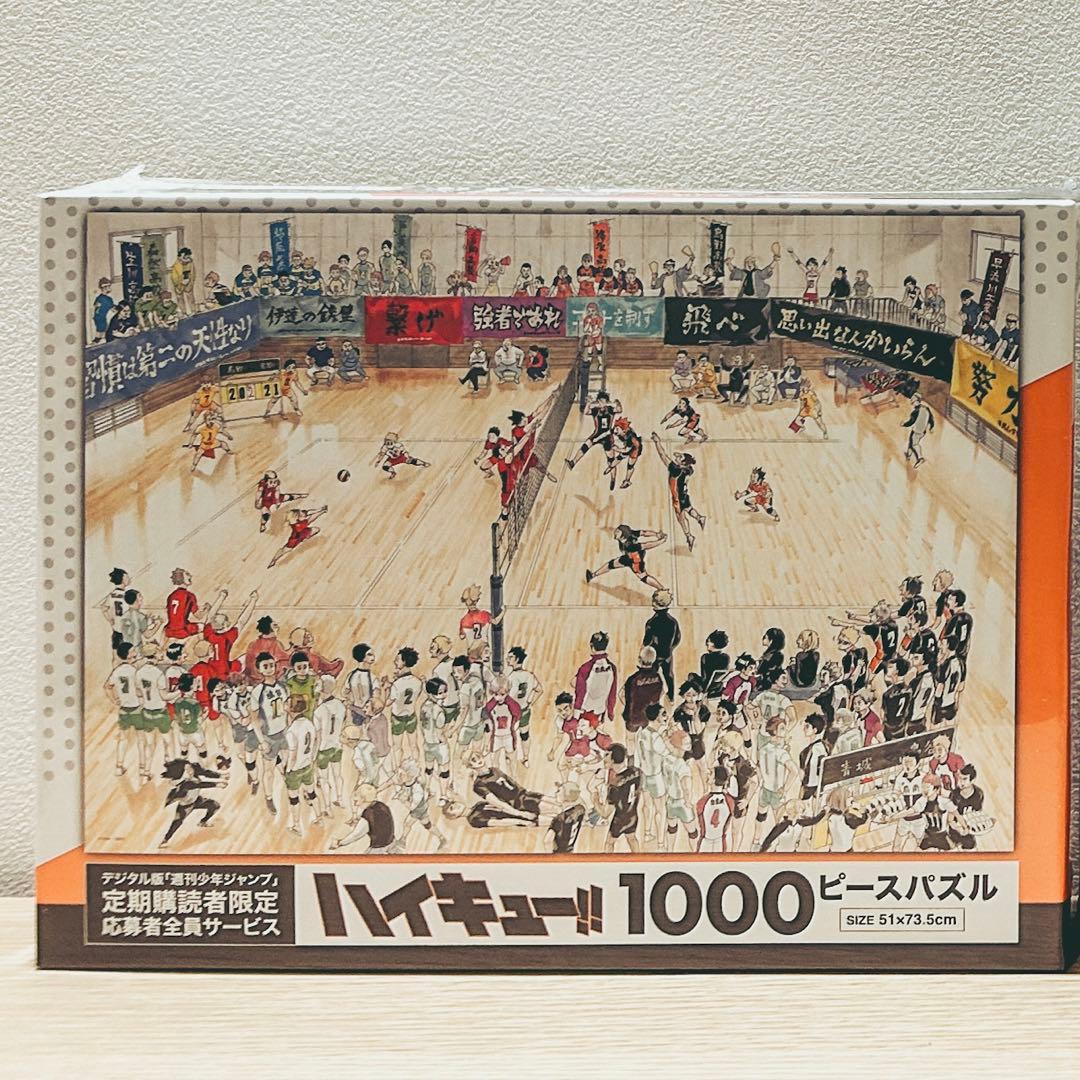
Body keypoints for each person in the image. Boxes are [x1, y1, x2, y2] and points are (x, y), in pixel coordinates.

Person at [651, 434, 706, 550]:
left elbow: (662, 455)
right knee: (688, 508)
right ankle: (700, 518)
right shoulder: (688, 469)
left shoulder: (675, 470)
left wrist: (657, 442)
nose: (678, 457)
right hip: (684, 494)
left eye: (680, 458)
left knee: (680, 518)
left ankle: (689, 536)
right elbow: (680, 457)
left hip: (677, 498)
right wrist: (679, 456)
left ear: (682, 463)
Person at [586, 524, 668, 592]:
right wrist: (656, 534)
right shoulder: (630, 533)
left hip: (635, 561)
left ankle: (662, 589)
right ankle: (592, 575)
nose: (615, 532)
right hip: (628, 557)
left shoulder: (630, 546)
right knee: (610, 564)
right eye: (616, 530)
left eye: (618, 531)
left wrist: (661, 541)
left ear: (623, 534)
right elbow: (643, 532)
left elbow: (647, 545)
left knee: (644, 577)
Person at [619, 646, 663, 760]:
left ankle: (631, 761)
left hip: (634, 716)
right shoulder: (658, 678)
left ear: (639, 659)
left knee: (630, 739)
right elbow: (663, 692)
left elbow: (621, 695)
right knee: (648, 740)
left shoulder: (632, 679)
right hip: (650, 718)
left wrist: (629, 706)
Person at [642, 590, 681, 701]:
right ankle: (671, 696)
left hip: (655, 655)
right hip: (667, 654)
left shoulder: (651, 622)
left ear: (655, 604)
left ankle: (651, 697)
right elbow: (677, 638)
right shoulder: (673, 622)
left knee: (651, 676)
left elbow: (646, 641)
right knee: (669, 675)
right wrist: (670, 648)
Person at [604, 743, 642, 852]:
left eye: (607, 756)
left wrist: (595, 798)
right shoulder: (637, 772)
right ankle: (640, 859)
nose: (604, 759)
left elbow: (605, 813)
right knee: (632, 839)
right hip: (633, 815)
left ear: (613, 760)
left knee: (609, 842)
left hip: (620, 819)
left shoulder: (614, 784)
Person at [170, 247, 197, 316]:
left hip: (188, 282)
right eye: (184, 257)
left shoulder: (191, 263)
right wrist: (180, 282)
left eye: (187, 257)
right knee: (180, 298)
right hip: (179, 284)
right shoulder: (176, 265)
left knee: (190, 297)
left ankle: (193, 310)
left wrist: (191, 281)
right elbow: (174, 277)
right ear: (179, 257)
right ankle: (183, 312)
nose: (186, 259)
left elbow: (193, 273)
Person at [90, 278, 115, 342]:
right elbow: (96, 308)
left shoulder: (108, 299)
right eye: (108, 286)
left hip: (103, 318)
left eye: (109, 286)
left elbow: (112, 308)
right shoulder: (100, 298)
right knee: (99, 335)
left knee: (103, 335)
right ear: (104, 287)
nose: (110, 288)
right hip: (100, 318)